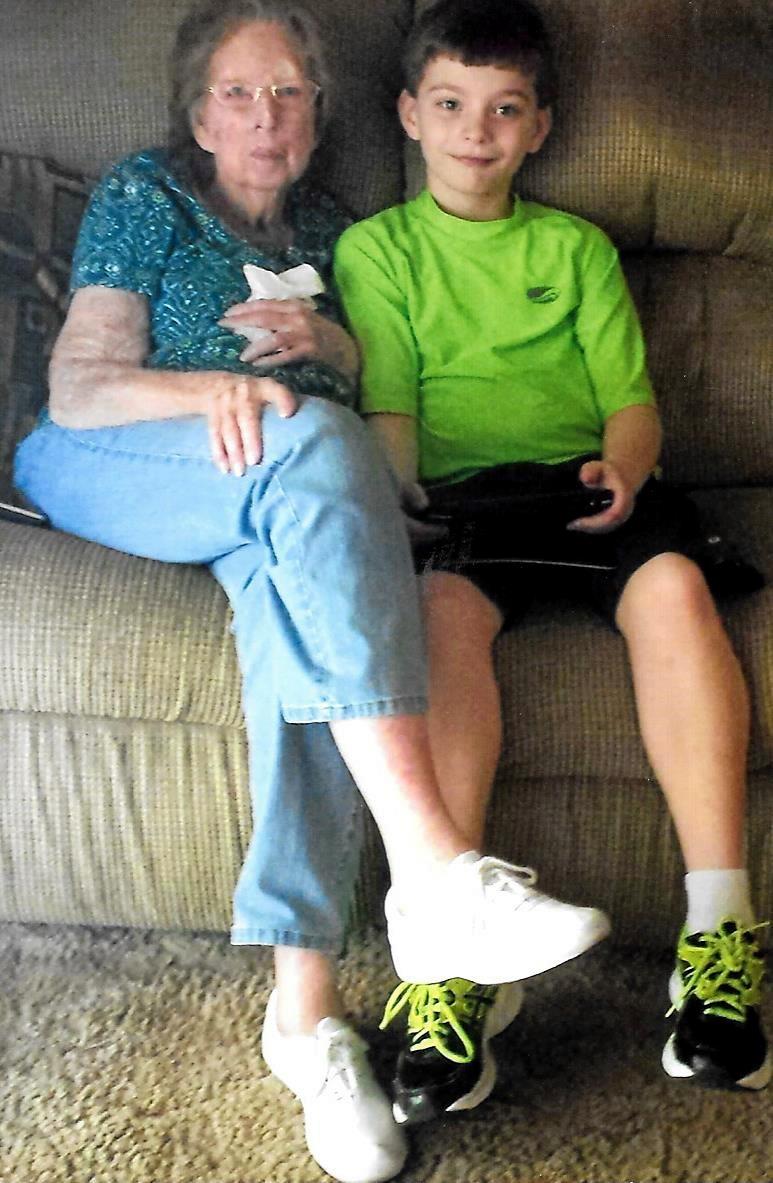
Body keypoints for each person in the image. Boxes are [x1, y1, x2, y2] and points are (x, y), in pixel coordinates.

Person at [13, 2, 612, 1179]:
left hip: (274, 495)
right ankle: (431, 869)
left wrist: (330, 351)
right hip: (120, 456)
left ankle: (304, 1014)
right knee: (312, 445)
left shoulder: (345, 232)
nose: (264, 114)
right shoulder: (147, 195)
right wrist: (219, 393)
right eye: (237, 93)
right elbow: (81, 385)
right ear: (197, 117)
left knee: (304, 607)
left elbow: (382, 375)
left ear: (320, 114)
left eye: (288, 91)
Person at [334, 0, 770, 1129]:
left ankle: (716, 934)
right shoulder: (376, 249)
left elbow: (630, 399)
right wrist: (399, 499)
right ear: (409, 116)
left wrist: (628, 469)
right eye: (450, 105)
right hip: (465, 501)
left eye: (504, 110)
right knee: (437, 617)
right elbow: (390, 402)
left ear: (537, 128)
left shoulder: (575, 247)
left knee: (675, 587)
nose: (474, 131)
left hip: (587, 484)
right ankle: (451, 959)